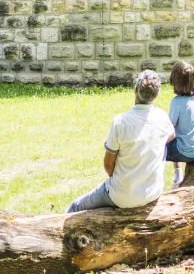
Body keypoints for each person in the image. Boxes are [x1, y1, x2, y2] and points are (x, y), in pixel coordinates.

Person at [66, 69, 175, 213]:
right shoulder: (162, 117)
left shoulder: (120, 121)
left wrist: (121, 181)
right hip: (152, 192)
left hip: (122, 195)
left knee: (76, 206)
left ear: (135, 90)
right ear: (157, 94)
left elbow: (108, 164)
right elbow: (171, 135)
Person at [166, 59, 194, 187]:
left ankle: (177, 176)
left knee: (157, 146)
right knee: (177, 137)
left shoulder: (177, 102)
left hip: (185, 152)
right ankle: (178, 176)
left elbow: (169, 128)